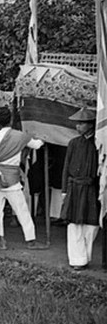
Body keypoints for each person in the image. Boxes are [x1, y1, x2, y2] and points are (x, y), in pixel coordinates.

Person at [0, 106, 47, 250]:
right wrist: (43, 138)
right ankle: (30, 240)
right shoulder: (21, 136)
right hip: (13, 178)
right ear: (11, 120)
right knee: (22, 210)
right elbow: (37, 145)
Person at [61, 107, 100, 270]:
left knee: (91, 225)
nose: (78, 127)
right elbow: (66, 167)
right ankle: (77, 259)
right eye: (77, 124)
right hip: (74, 188)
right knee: (74, 224)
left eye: (81, 124)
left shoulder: (99, 143)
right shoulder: (73, 143)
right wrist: (64, 190)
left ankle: (85, 256)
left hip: (92, 189)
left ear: (91, 125)